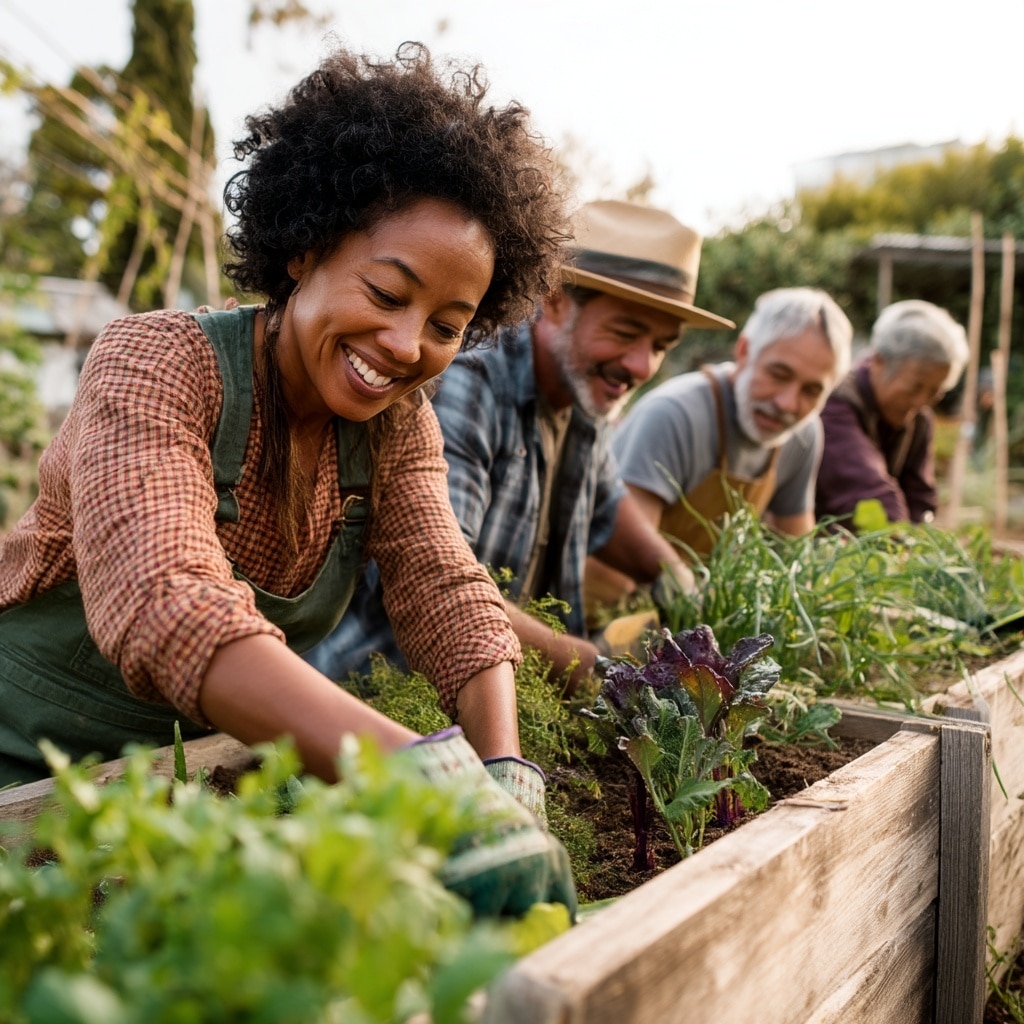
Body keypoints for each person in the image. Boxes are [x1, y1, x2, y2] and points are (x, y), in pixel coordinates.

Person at [0, 43, 576, 918]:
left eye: (448, 325)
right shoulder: (156, 363)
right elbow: (168, 600)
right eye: (387, 293)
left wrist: (502, 779)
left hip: (169, 797)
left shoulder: (393, 427)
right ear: (306, 249)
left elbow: (448, 591)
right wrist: (419, 776)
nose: (407, 344)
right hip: (18, 774)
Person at [306, 199, 735, 689]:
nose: (640, 366)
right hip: (386, 695)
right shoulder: (470, 380)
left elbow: (608, 509)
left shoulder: (580, 395)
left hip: (496, 691)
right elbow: (436, 584)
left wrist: (678, 579)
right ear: (554, 300)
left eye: (661, 346)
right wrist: (591, 666)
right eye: (625, 333)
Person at [607, 287, 853, 561]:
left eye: (811, 391)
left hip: (697, 597)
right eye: (778, 375)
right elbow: (628, 546)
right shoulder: (673, 415)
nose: (787, 404)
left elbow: (795, 551)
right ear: (744, 351)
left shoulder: (803, 434)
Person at [815, 299, 968, 528]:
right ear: (878, 361)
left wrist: (925, 542)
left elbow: (921, 501)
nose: (921, 402)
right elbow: (868, 495)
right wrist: (904, 547)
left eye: (935, 392)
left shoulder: (919, 420)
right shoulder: (836, 403)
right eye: (915, 387)